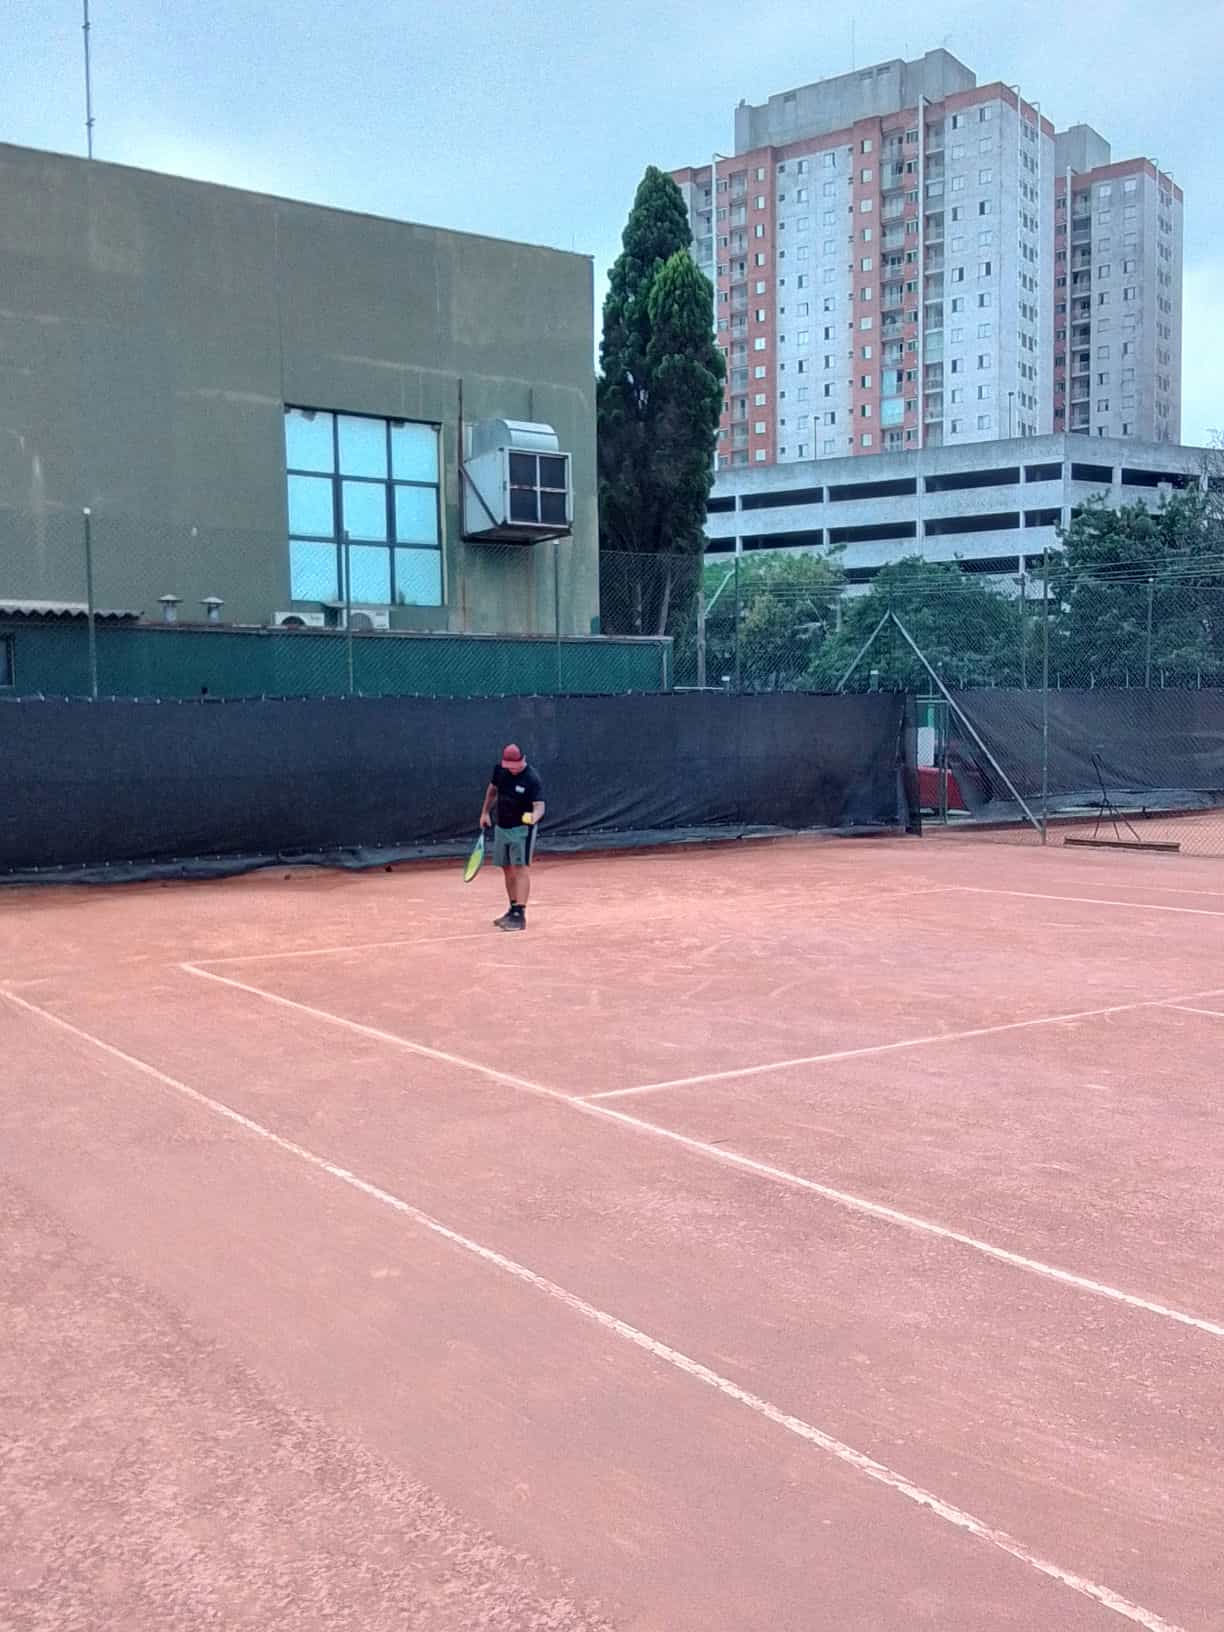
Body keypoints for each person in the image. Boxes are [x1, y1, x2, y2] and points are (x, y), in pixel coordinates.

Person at [480, 744, 545, 931]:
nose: (512, 769)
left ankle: (520, 915)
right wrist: (485, 813)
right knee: (507, 868)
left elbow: (540, 806)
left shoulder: (531, 778)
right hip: (502, 827)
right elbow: (492, 790)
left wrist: (533, 817)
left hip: (522, 830)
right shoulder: (500, 771)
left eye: (515, 766)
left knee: (520, 868)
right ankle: (513, 908)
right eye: (509, 766)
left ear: (522, 760)